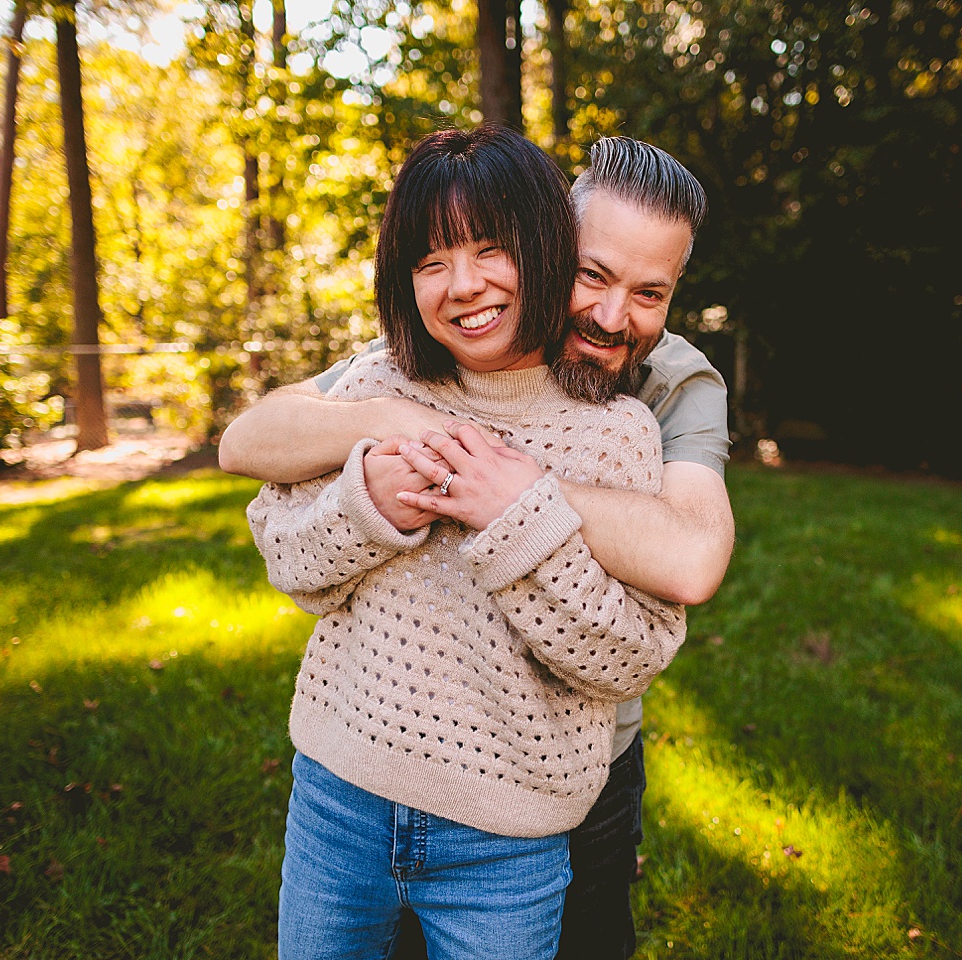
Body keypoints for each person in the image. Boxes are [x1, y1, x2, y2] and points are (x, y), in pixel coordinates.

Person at [223, 136, 731, 960]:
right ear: (547, 239)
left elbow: (691, 563)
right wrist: (391, 433)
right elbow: (253, 443)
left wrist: (512, 491)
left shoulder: (668, 389)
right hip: (358, 779)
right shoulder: (425, 347)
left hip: (568, 769)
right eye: (592, 275)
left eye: (649, 293)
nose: (609, 318)